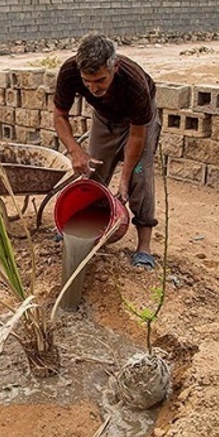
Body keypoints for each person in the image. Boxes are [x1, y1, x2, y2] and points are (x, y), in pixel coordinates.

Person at [53, 33, 161, 269]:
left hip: (139, 124)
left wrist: (125, 178)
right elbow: (60, 115)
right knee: (93, 172)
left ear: (115, 67)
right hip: (104, 120)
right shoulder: (70, 71)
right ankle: (81, 231)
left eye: (100, 80)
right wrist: (75, 152)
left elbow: (136, 135)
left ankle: (144, 247)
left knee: (140, 176)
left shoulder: (134, 84)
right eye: (87, 82)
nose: (93, 88)